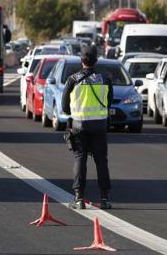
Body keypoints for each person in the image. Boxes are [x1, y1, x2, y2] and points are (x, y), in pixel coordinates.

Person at [62, 45, 113, 210]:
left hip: (79, 125)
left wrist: (77, 111)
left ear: (81, 60)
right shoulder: (105, 79)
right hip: (99, 125)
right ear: (96, 60)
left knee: (80, 159)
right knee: (101, 161)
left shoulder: (73, 79)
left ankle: (79, 198)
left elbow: (64, 107)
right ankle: (105, 198)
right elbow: (109, 101)